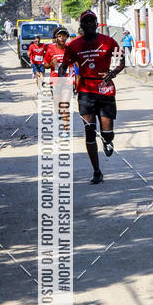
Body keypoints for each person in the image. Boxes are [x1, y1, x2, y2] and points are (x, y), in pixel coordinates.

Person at [62, 10, 125, 185]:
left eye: (92, 21)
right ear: (81, 25)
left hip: (105, 90)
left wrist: (112, 73)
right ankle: (96, 171)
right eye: (86, 22)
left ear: (96, 24)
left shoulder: (108, 42)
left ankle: (107, 140)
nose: (89, 24)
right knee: (89, 131)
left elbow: (122, 60)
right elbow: (63, 65)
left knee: (107, 132)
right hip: (85, 91)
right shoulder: (74, 46)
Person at [44, 26, 73, 128]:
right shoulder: (51, 49)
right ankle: (59, 120)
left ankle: (65, 130)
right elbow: (45, 65)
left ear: (67, 37)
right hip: (55, 81)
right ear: (56, 38)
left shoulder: (70, 49)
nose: (62, 38)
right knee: (57, 105)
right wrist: (52, 63)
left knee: (65, 105)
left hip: (67, 81)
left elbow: (76, 63)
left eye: (64, 36)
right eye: (59, 36)